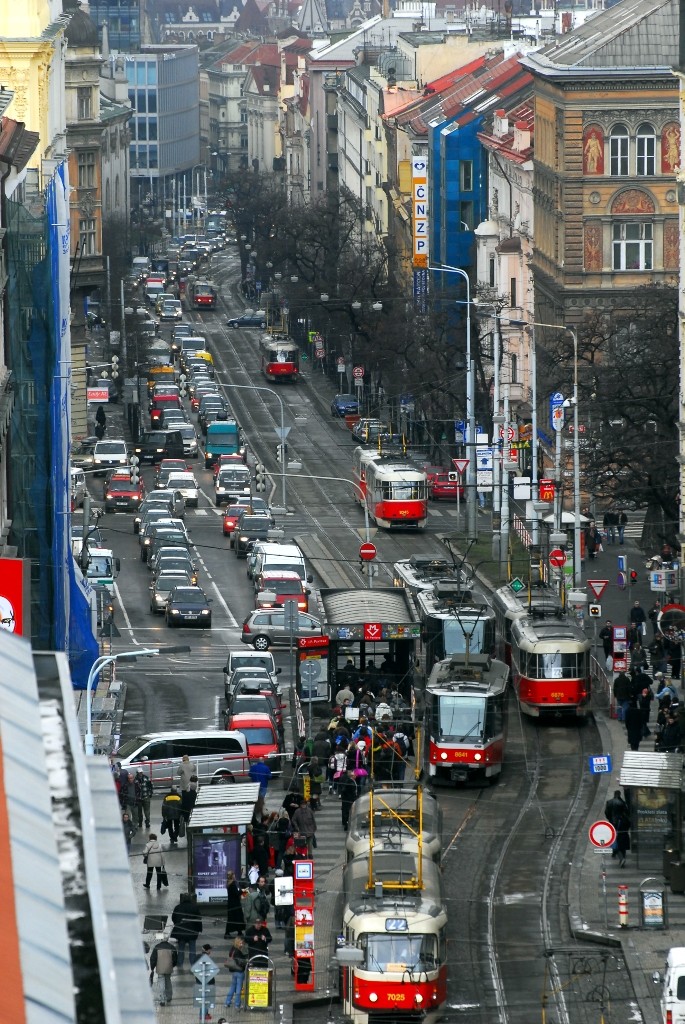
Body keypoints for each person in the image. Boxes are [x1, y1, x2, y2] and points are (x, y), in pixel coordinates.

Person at [170, 891, 203, 968]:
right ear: (190, 899)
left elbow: (173, 918)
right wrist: (199, 929)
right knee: (192, 949)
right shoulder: (195, 907)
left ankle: (180, 964)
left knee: (181, 948)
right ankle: (193, 964)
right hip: (192, 932)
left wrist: (177, 925)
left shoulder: (177, 907)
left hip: (181, 931)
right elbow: (198, 919)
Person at [149, 932, 178, 1006]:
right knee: (168, 981)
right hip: (169, 967)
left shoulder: (157, 947)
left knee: (161, 982)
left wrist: (152, 967)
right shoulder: (172, 947)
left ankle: (162, 999)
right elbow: (175, 959)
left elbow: (153, 959)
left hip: (160, 968)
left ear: (161, 939)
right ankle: (169, 997)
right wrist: (172, 965)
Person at [224, 936, 248, 1010]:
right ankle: (237, 1004)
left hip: (233, 971)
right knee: (238, 989)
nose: (242, 944)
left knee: (232, 987)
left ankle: (227, 1002)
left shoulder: (232, 949)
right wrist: (246, 961)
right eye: (241, 943)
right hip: (239, 972)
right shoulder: (238, 951)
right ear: (238, 942)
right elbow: (240, 961)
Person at [224, 870, 245, 938]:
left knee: (233, 918)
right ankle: (229, 932)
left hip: (231, 903)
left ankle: (239, 931)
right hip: (235, 904)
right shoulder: (232, 884)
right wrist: (242, 891)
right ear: (232, 876)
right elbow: (236, 894)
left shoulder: (229, 883)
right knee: (236, 917)